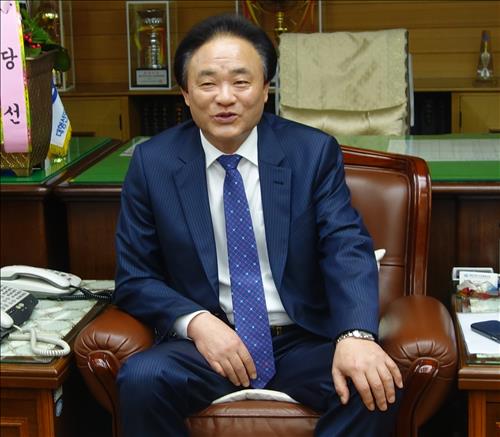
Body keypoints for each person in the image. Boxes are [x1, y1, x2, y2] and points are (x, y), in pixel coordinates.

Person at [114, 13, 403, 437]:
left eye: (241, 82)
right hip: (207, 345)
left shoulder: (311, 153)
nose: (224, 98)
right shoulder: (152, 162)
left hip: (300, 338)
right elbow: (135, 277)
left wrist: (356, 335)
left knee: (372, 384)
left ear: (266, 90)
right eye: (208, 83)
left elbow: (346, 246)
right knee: (142, 379)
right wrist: (196, 322)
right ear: (186, 94)